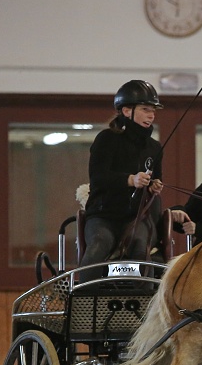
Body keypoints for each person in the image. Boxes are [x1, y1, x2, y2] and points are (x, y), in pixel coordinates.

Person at [80, 80, 193, 281]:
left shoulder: (154, 147)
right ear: (126, 111)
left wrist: (154, 185)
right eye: (145, 109)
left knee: (141, 247)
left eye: (153, 111)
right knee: (98, 245)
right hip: (103, 216)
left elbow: (155, 180)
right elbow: (98, 178)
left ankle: (143, 303)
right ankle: (84, 304)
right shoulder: (106, 139)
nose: (151, 115)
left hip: (138, 217)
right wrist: (130, 180)